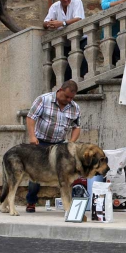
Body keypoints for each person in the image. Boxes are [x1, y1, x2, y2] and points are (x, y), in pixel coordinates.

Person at [25, 80, 81, 213]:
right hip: (40, 142)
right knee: (35, 174)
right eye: (66, 96)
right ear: (60, 90)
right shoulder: (43, 100)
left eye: (71, 98)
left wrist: (71, 142)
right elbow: (30, 118)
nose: (68, 100)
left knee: (66, 174)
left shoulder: (75, 107)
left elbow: (77, 127)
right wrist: (32, 136)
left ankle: (67, 204)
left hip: (60, 144)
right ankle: (31, 202)